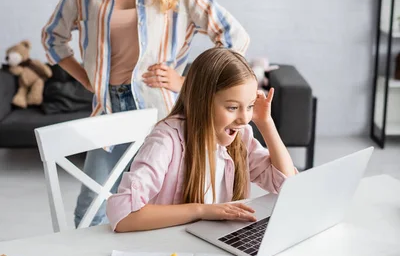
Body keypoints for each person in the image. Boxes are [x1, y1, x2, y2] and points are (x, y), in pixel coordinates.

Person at [41, 0, 249, 228]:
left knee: (161, 202)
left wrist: (188, 83)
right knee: (90, 213)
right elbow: (53, 39)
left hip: (159, 111)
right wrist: (89, 79)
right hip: (107, 111)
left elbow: (234, 37)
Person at [107, 47, 296, 232]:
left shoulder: (241, 135)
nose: (244, 118)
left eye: (250, 106)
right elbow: (123, 215)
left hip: (214, 244)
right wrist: (201, 210)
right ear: (201, 101)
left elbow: (287, 185)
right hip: (169, 248)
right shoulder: (166, 141)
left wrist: (266, 124)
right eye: (232, 107)